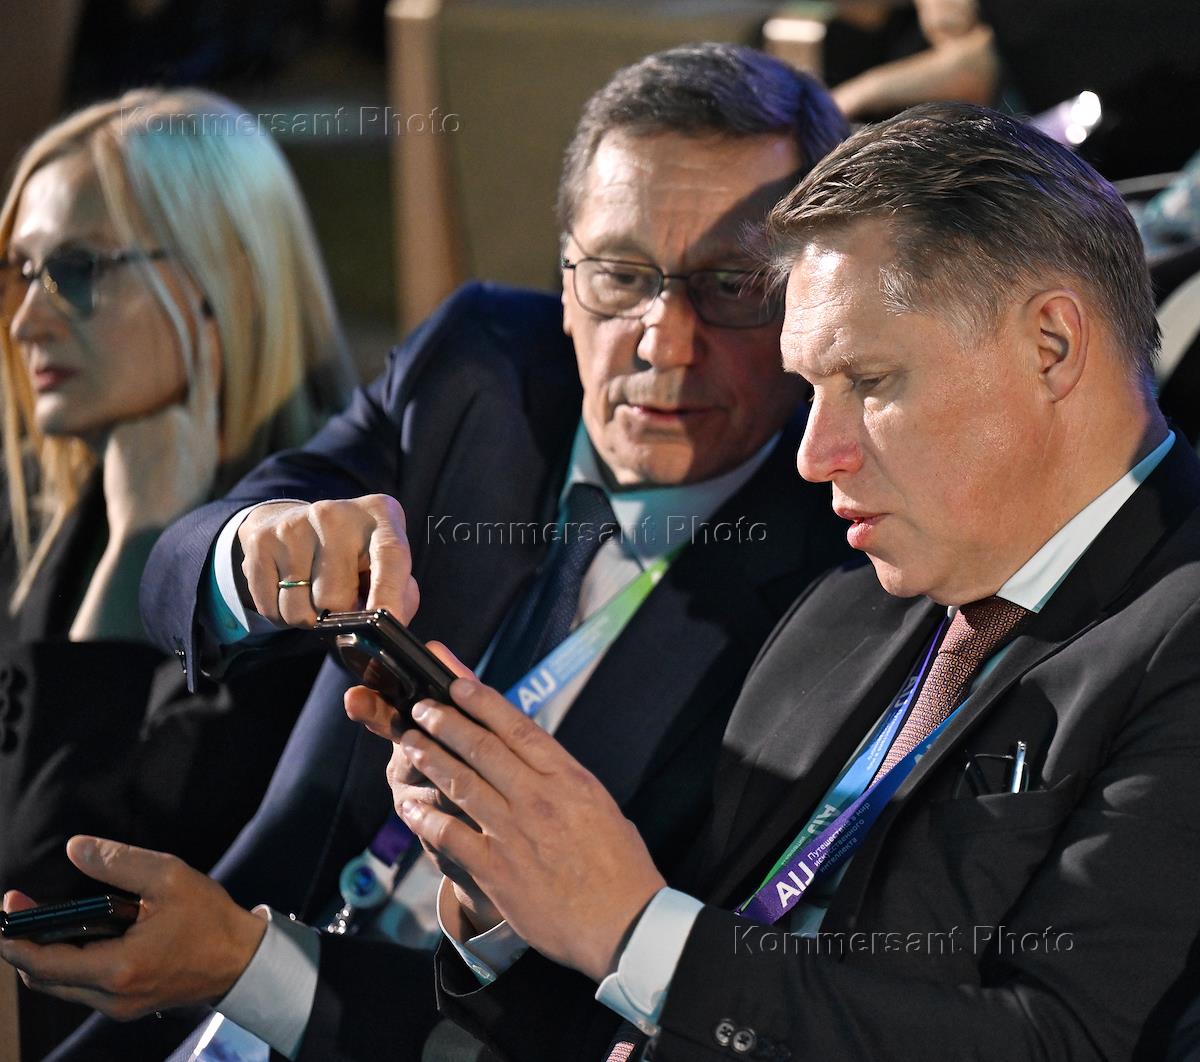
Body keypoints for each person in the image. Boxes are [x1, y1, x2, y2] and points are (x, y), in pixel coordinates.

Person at [1, 45, 854, 1062]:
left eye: (731, 285)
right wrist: (252, 549)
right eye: (621, 276)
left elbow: (612, 1021)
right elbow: (183, 567)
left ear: (810, 297)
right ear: (565, 276)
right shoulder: (479, 366)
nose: (664, 342)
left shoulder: (842, 582)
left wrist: (249, 968)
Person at [340, 102, 1200, 1060]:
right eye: (811, 389)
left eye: (868, 382)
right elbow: (689, 988)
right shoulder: (844, 605)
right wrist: (512, 893)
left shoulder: (1179, 634)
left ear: (1052, 346)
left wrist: (630, 928)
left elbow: (1064, 1043)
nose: (813, 455)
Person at [0, 87, 356, 1056]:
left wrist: (145, 546)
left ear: (222, 277)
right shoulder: (52, 513)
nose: (27, 320)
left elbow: (50, 909)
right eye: (21, 271)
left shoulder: (317, 567)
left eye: (76, 270)